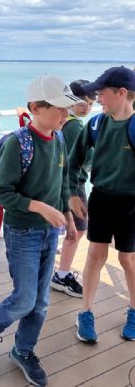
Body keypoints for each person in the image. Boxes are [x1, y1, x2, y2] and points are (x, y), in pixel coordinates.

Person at [0, 75, 81, 387]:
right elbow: (2, 193)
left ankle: (23, 350)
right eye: (59, 108)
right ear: (35, 108)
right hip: (23, 232)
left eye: (67, 108)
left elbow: (61, 183)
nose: (65, 114)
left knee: (41, 301)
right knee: (25, 298)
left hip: (50, 232)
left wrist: (67, 216)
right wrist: (39, 207)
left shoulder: (59, 139)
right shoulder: (18, 143)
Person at [69, 66, 135, 343]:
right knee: (95, 256)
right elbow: (73, 161)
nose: (96, 100)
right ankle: (85, 313)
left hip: (131, 204)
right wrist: (73, 193)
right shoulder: (96, 125)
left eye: (101, 94)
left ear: (121, 93)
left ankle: (134, 312)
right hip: (102, 198)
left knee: (128, 259)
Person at [50, 80, 96, 298]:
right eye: (82, 103)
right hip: (73, 183)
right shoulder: (75, 126)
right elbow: (86, 157)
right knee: (77, 229)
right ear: (71, 102)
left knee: (70, 227)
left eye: (91, 103)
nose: (87, 107)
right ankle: (62, 275)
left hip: (61, 181)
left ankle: (59, 270)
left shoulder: (63, 122)